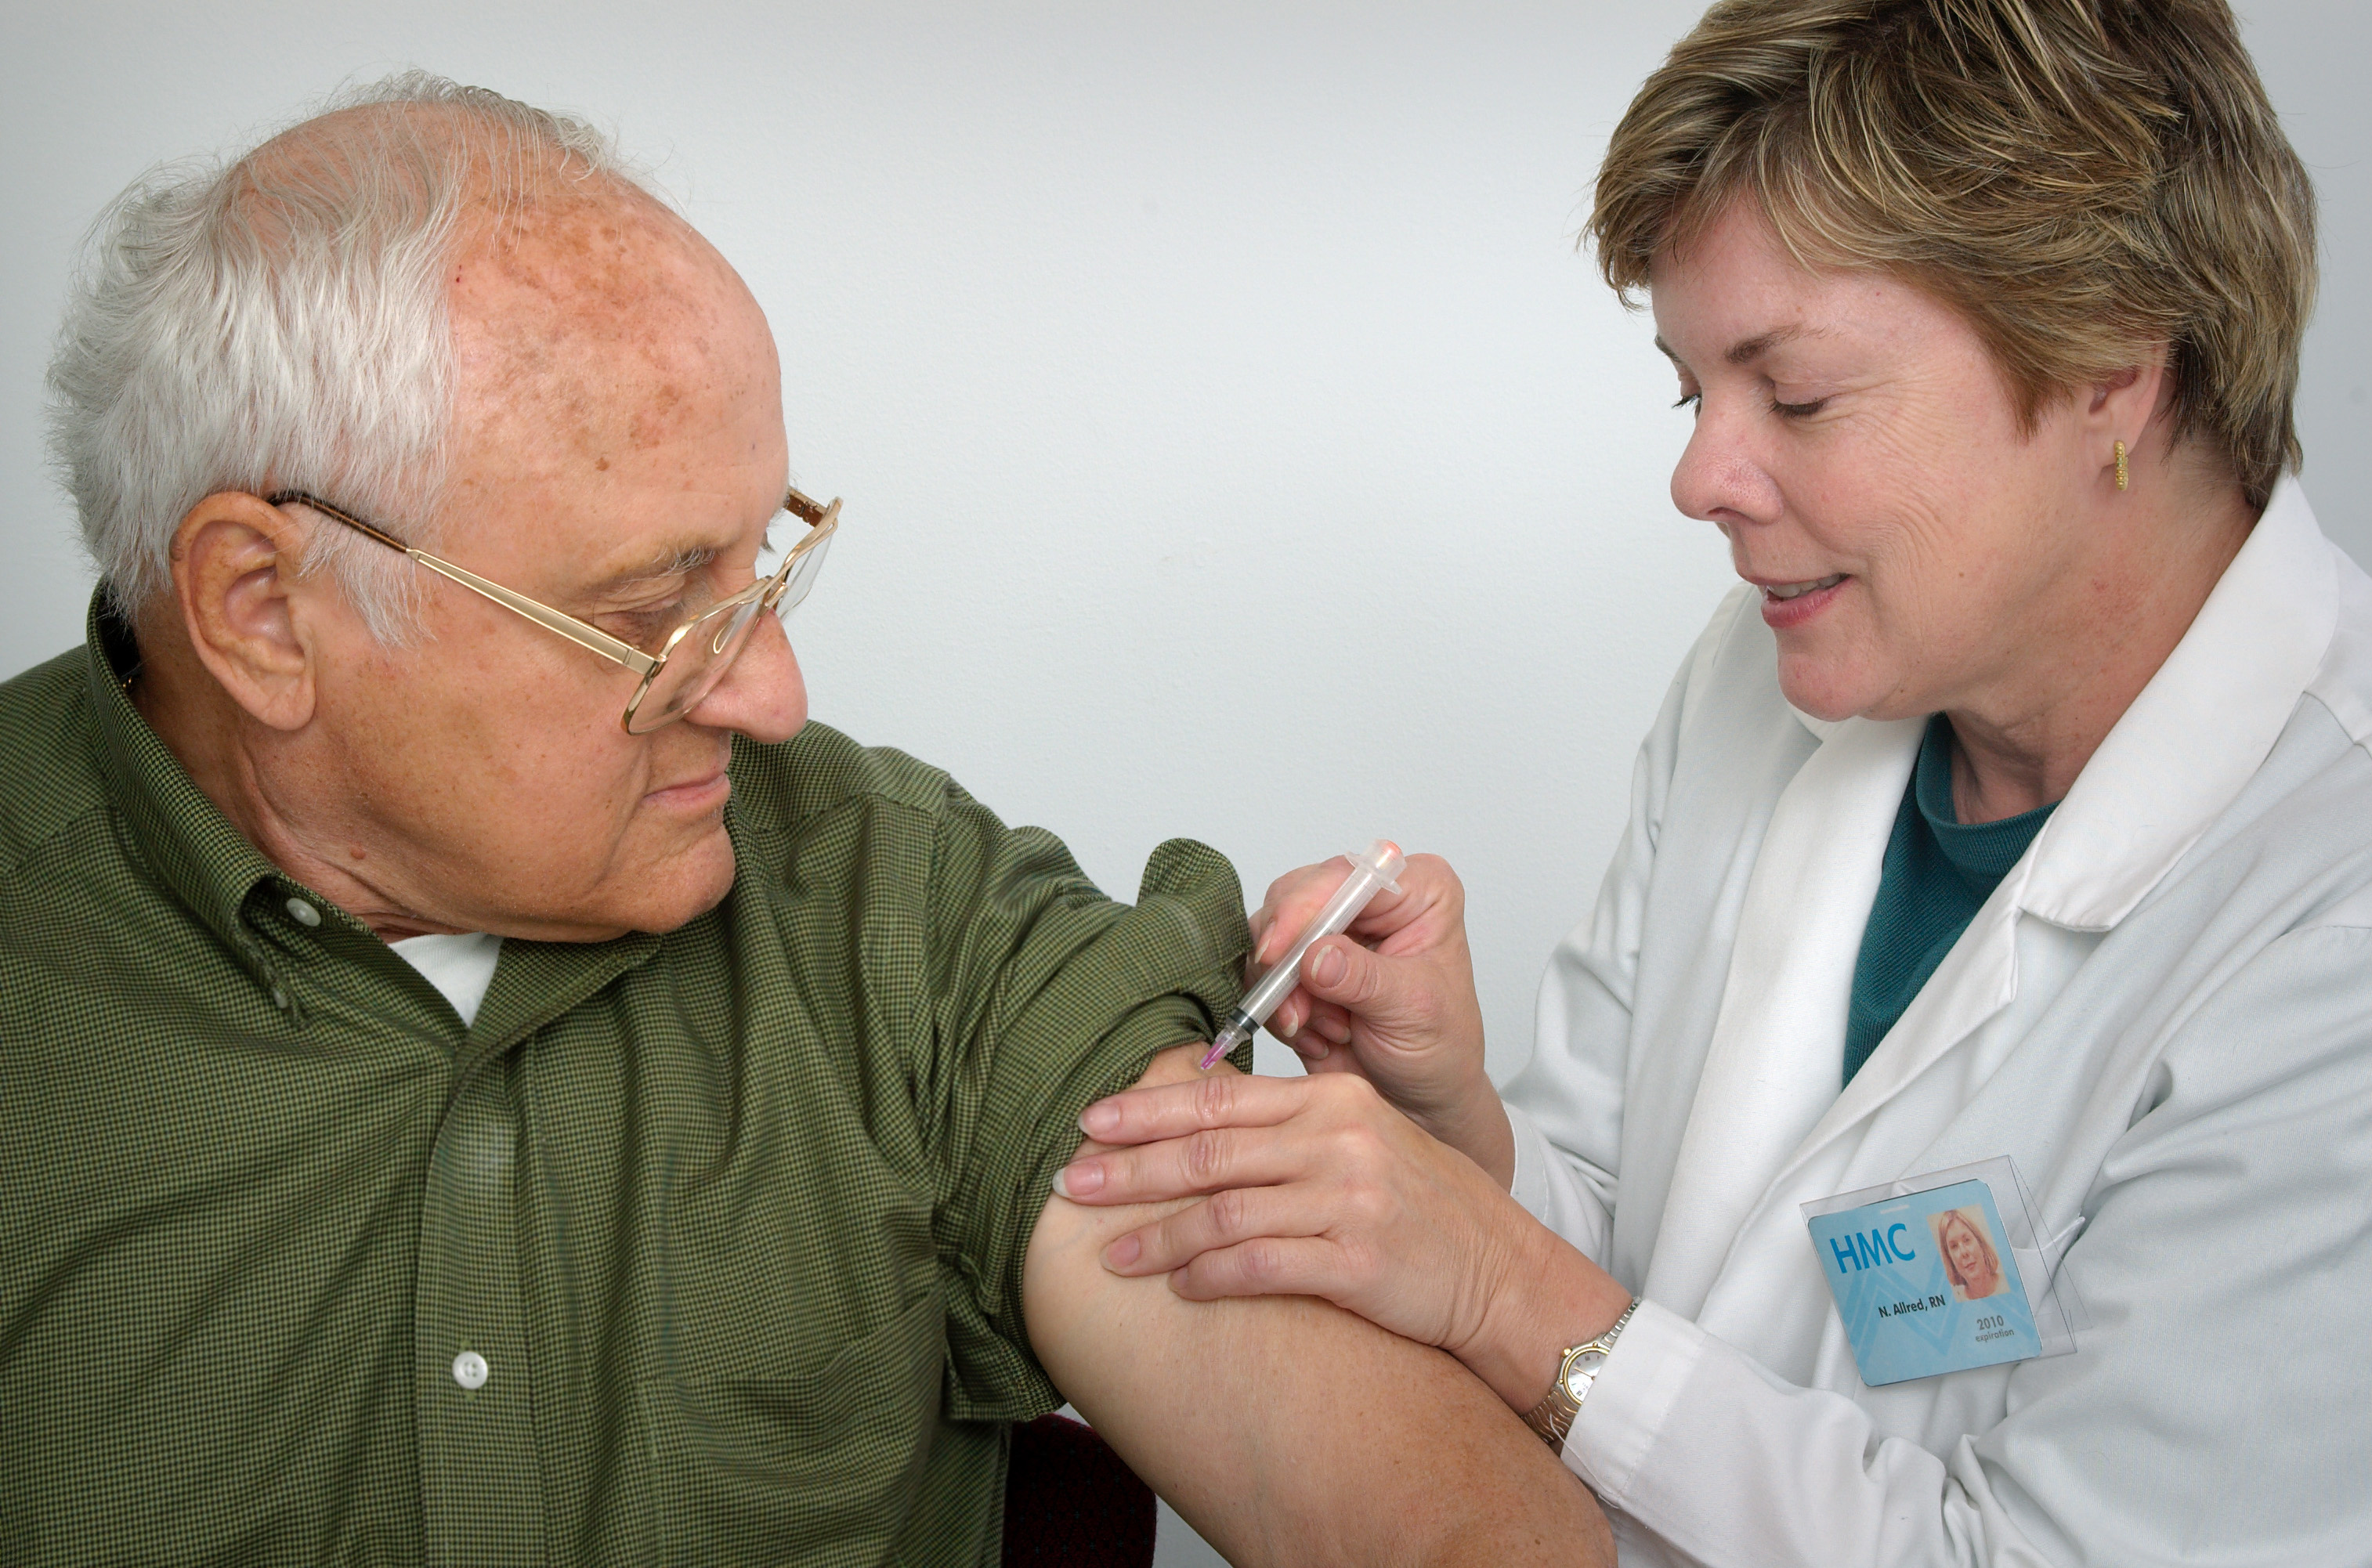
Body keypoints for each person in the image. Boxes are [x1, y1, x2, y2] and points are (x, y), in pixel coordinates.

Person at [0, 77, 1609, 1566]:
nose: (771, 693)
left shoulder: (893, 912)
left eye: (761, 558)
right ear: (264, 613)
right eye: (650, 606)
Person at [1052, 2, 2372, 1563]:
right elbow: (1646, 1270)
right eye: (1691, 392)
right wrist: (1454, 1129)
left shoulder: (2324, 918)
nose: (1696, 479)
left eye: (1793, 395)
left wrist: (1490, 1275)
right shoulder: (1778, 667)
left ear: (2104, 362)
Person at [1935, 1210, 2004, 1304]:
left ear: (1980, 1244)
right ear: (1950, 1258)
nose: (1964, 1252)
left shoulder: (2006, 1284)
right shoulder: (1954, 1301)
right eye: (1954, 1246)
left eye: (1967, 1240)